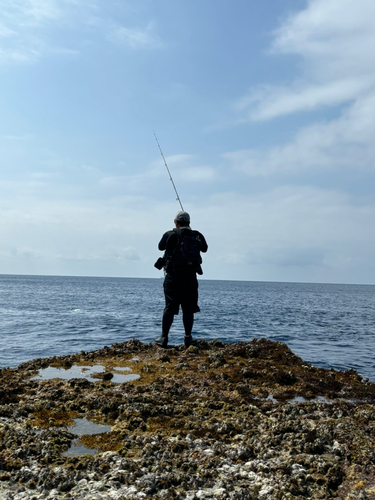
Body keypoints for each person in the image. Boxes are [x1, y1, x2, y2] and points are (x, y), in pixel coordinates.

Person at [155, 211, 208, 348]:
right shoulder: (197, 235)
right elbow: (205, 249)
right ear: (189, 222)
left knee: (169, 308)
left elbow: (160, 246)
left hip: (173, 278)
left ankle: (164, 338)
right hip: (190, 278)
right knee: (188, 309)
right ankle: (188, 338)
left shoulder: (170, 234)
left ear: (176, 223)